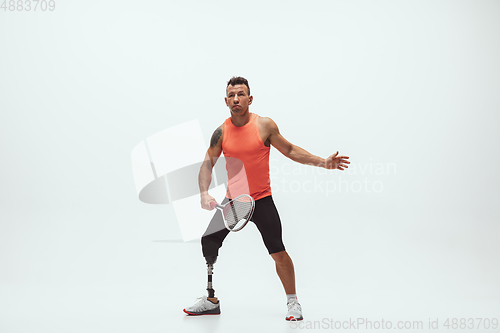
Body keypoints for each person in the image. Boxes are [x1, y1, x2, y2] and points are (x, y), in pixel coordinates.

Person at [183, 76, 350, 321]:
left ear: (250, 99)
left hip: (261, 200)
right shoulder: (220, 132)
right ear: (226, 101)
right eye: (231, 95)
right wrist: (204, 192)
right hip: (234, 201)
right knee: (208, 241)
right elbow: (208, 164)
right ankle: (211, 300)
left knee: (278, 251)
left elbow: (291, 150)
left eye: (240, 94)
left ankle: (293, 302)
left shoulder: (264, 126)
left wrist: (323, 163)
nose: (236, 99)